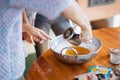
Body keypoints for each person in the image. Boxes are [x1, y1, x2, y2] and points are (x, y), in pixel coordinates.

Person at [0, 0, 92, 80]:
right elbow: (61, 3)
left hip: (11, 60)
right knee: (43, 58)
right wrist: (86, 25)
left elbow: (17, 6)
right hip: (5, 69)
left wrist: (25, 26)